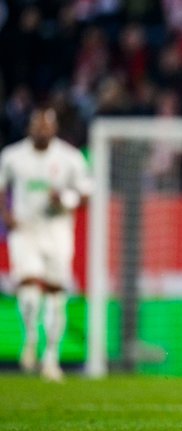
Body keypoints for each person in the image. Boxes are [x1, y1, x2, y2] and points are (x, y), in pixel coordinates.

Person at [0, 107, 92, 382]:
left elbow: (85, 195)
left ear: (54, 128)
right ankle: (30, 336)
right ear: (29, 128)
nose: (41, 130)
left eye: (46, 125)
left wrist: (64, 199)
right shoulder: (12, 156)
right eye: (36, 125)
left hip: (57, 231)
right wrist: (7, 217)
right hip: (25, 230)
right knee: (28, 286)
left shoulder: (70, 157)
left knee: (55, 293)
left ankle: (51, 357)